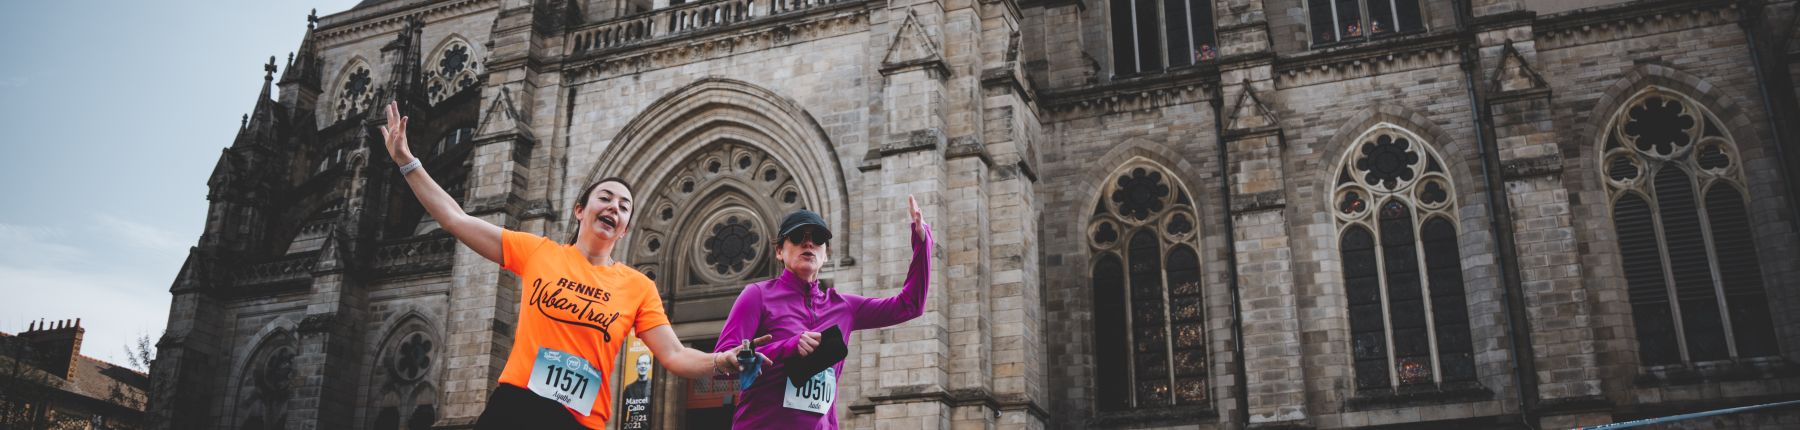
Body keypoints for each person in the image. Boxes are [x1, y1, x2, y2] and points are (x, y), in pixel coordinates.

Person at [378, 101, 767, 429]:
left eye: (624, 206)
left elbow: (675, 355)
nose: (614, 207)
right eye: (606, 198)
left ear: (626, 227)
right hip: (515, 408)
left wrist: (720, 360)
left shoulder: (638, 287)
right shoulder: (538, 252)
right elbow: (456, 219)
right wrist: (407, 162)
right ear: (580, 210)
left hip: (579, 422)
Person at [714, 198, 934, 429]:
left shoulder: (844, 306)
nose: (808, 243)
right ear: (779, 251)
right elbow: (719, 364)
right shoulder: (756, 295)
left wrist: (922, 242)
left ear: (826, 255)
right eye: (797, 236)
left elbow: (910, 305)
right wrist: (786, 347)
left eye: (818, 239)